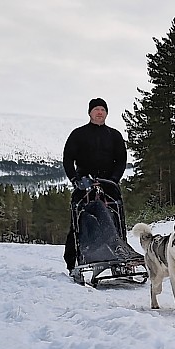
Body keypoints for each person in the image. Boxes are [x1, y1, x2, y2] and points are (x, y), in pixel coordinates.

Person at [62, 97, 128, 271]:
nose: (100, 112)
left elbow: (121, 160)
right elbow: (68, 159)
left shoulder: (114, 135)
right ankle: (73, 260)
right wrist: (75, 180)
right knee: (78, 217)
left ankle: (121, 256)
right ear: (90, 112)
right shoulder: (78, 134)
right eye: (96, 109)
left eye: (103, 110)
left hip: (109, 183)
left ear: (106, 113)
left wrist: (114, 179)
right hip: (84, 183)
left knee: (117, 218)